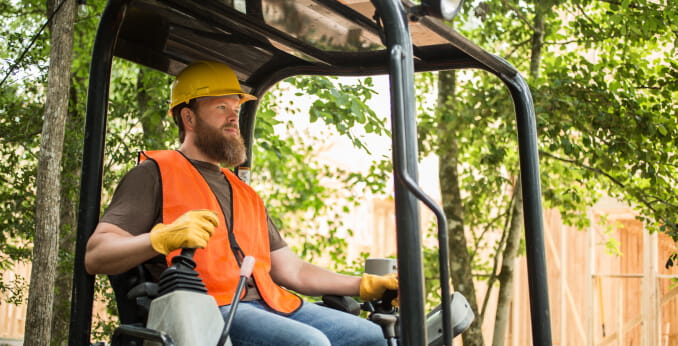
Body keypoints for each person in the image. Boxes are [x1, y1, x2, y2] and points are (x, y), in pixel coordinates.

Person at [85, 60, 397, 345]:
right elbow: (97, 255)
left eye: (236, 107)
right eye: (221, 106)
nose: (234, 116)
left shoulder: (245, 193)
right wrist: (160, 239)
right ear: (188, 116)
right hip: (206, 311)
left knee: (370, 336)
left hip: (271, 303)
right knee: (310, 344)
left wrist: (363, 285)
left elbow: (294, 272)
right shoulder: (154, 174)